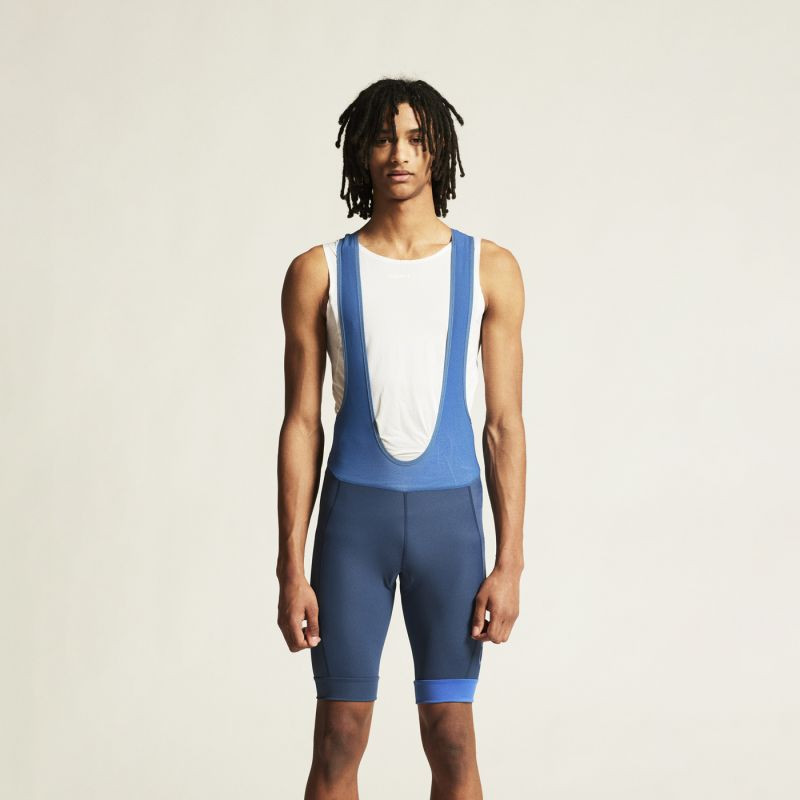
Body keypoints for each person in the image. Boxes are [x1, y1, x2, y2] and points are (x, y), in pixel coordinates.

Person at [277, 77, 526, 800]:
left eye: (416, 139)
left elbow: (504, 426)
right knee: (340, 734)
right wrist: (290, 565)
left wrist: (510, 563)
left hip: (451, 529)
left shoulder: (489, 268)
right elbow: (301, 423)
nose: (399, 154)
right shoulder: (319, 271)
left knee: (451, 736)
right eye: (384, 139)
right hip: (354, 527)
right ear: (362, 151)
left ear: (438, 150)